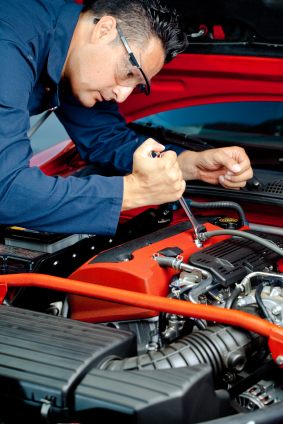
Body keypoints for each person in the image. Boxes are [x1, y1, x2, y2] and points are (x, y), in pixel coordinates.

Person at [0, 0, 253, 236]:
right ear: (104, 30)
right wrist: (134, 192)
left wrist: (190, 164)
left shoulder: (76, 59)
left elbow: (105, 139)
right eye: (129, 72)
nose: (122, 97)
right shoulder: (9, 44)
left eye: (137, 85)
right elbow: (6, 191)